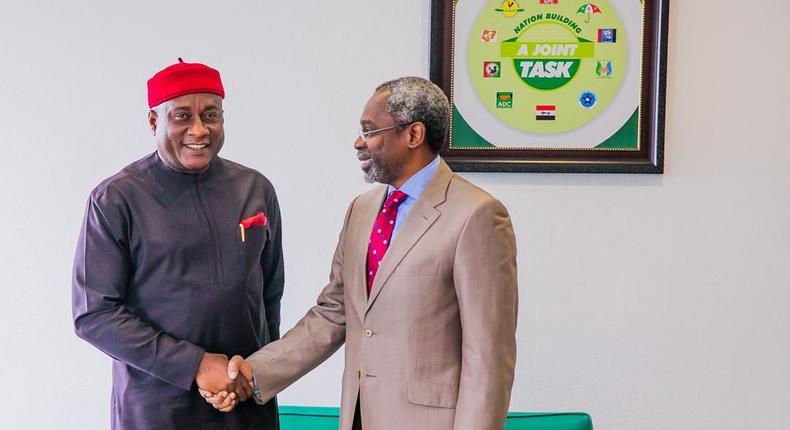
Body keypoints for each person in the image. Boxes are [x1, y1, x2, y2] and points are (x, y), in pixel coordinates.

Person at [203, 76, 518, 430]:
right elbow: (334, 312)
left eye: (369, 131)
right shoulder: (361, 210)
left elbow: (489, 354)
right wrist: (254, 372)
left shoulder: (477, 215)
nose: (358, 142)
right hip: (358, 417)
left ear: (413, 135)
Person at [72, 58, 283, 429]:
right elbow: (95, 314)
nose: (199, 130)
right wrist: (197, 365)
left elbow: (269, 295)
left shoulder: (255, 189)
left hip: (245, 404)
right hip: (157, 407)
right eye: (182, 116)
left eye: (211, 115)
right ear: (154, 121)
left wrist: (257, 372)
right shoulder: (116, 199)